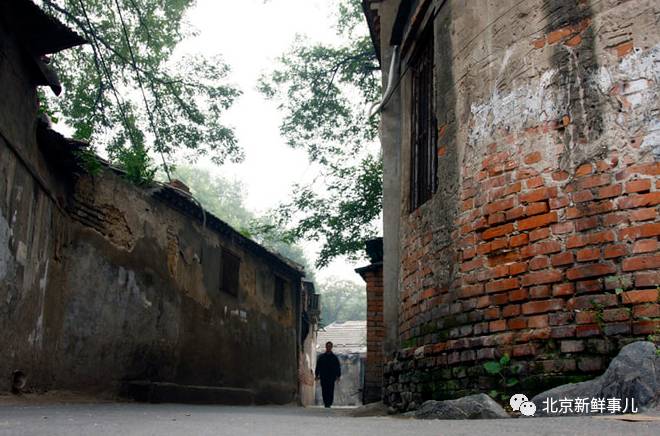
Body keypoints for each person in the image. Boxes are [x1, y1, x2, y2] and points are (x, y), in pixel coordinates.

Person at [315, 341, 341, 408]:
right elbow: (318, 366)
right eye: (327, 346)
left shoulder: (334, 358)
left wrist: (338, 376)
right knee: (324, 390)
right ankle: (326, 403)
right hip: (323, 376)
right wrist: (316, 375)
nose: (328, 347)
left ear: (331, 347)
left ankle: (329, 403)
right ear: (326, 347)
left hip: (331, 377)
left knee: (330, 390)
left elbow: (337, 367)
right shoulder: (321, 357)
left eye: (330, 346)